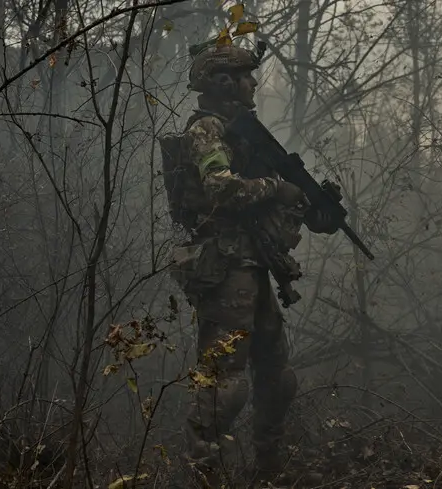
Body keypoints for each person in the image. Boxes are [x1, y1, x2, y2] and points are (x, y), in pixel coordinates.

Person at [162, 41, 337, 484]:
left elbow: (263, 192)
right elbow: (221, 188)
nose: (254, 82)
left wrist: (310, 207)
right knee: (225, 380)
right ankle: (207, 476)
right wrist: (276, 189)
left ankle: (270, 469)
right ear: (224, 81)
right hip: (225, 267)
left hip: (254, 262)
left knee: (276, 375)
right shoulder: (206, 129)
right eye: (245, 75)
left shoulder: (243, 130)